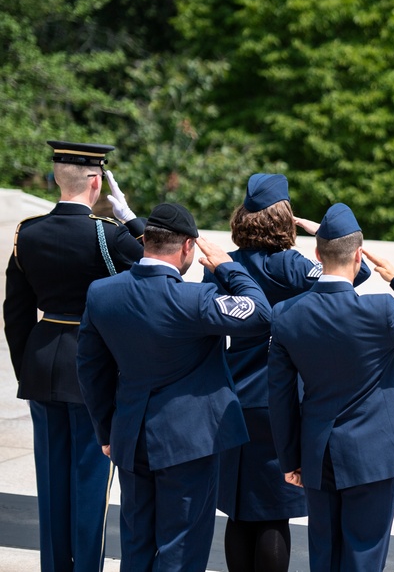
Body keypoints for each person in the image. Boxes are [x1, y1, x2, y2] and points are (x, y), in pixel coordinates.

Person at [76, 203, 272, 572]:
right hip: (189, 442)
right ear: (186, 247)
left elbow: (91, 369)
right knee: (181, 547)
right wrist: (229, 266)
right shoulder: (194, 300)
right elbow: (261, 314)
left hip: (131, 436)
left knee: (137, 542)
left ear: (147, 241)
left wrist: (107, 431)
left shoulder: (102, 293)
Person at [268, 203, 394, 572]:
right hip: (372, 456)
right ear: (359, 255)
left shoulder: (287, 314)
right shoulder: (381, 311)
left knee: (324, 555)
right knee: (364, 558)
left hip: (317, 453)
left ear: (317, 255)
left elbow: (280, 396)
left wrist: (290, 459)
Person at [203, 173, 371, 572]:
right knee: (273, 513)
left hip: (235, 396)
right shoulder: (292, 265)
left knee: (239, 511)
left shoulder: (226, 266)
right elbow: (354, 274)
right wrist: (321, 233)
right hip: (280, 401)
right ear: (284, 217)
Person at [2, 140, 144, 572]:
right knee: (89, 483)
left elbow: (16, 313)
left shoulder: (28, 232)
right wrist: (133, 221)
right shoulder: (108, 234)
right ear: (98, 181)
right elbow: (163, 268)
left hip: (43, 362)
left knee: (52, 482)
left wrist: (29, 367)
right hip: (93, 368)